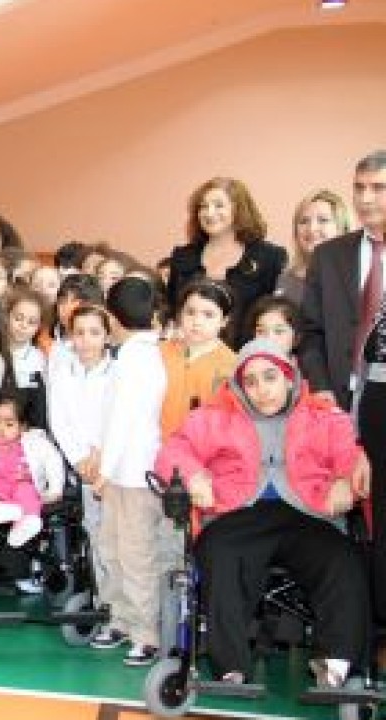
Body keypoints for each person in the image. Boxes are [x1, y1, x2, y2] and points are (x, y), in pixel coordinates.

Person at [155, 339, 369, 687]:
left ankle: (336, 664)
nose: (261, 390)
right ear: (239, 386)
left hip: (308, 514)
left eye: (270, 377)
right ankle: (231, 668)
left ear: (289, 376)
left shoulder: (324, 417)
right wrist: (194, 477)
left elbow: (352, 455)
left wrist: (347, 481)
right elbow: (173, 452)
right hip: (238, 513)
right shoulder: (214, 417)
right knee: (219, 555)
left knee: (343, 560)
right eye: (250, 382)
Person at [303, 150, 386, 622]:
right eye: (360, 188)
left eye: (378, 188)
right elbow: (310, 331)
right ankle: (352, 626)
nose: (366, 198)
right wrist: (321, 387)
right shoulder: (329, 255)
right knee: (342, 518)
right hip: (337, 405)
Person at [89, 277, 168, 666]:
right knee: (113, 548)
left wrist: (103, 469)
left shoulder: (138, 359)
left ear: (111, 317)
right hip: (123, 472)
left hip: (134, 473)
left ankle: (145, 634)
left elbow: (123, 421)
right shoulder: (140, 355)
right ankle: (120, 620)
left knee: (136, 554)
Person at [45, 303, 115, 634]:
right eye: (80, 333)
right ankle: (104, 609)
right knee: (95, 538)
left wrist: (102, 456)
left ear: (107, 336)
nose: (86, 340)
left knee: (118, 541)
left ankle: (126, 614)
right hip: (82, 468)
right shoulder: (62, 373)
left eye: (94, 332)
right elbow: (59, 422)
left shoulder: (119, 373)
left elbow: (120, 419)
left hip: (113, 466)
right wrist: (80, 459)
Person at [166, 177, 287, 348]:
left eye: (219, 205)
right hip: (189, 354)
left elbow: (273, 315)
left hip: (247, 356)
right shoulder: (182, 256)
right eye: (203, 206)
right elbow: (171, 309)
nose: (209, 213)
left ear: (239, 210)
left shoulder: (269, 257)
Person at [0, 392, 63, 548]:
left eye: (9, 424)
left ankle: (26, 523)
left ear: (22, 427)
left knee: (27, 490)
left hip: (19, 487)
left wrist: (55, 490)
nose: (0, 428)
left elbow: (53, 461)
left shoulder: (35, 441)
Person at [159, 279, 237, 440]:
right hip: (153, 444)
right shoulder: (160, 351)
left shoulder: (231, 364)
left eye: (208, 315)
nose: (197, 322)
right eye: (190, 312)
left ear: (224, 321)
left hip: (198, 448)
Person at [277, 190, 351, 303]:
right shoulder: (287, 281)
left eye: (323, 220)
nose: (312, 228)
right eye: (304, 221)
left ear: (342, 229)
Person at [5, 288, 48, 388]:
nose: (23, 325)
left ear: (39, 327)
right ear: (6, 316)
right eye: (18, 318)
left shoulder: (38, 360)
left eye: (31, 322)